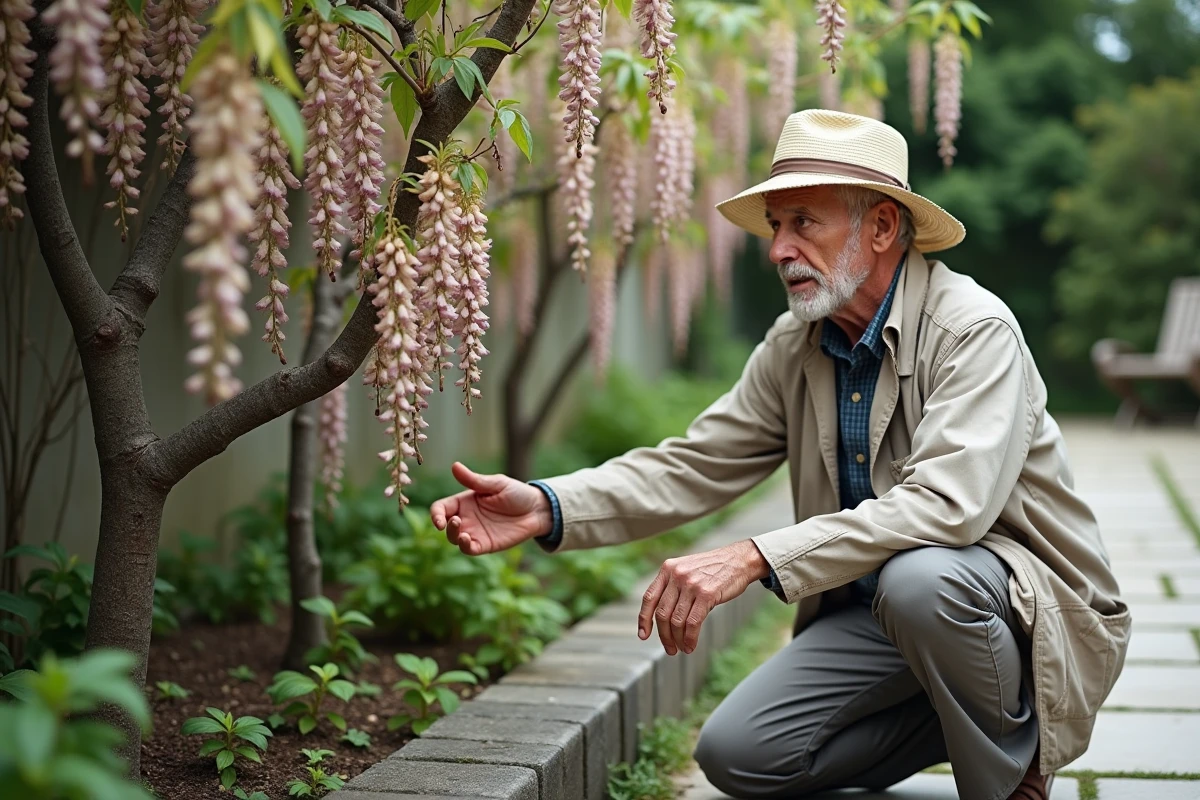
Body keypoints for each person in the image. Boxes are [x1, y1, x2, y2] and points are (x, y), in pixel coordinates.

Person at [429, 109, 1131, 800]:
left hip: (1014, 608)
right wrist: (550, 505)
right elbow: (694, 462)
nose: (778, 250)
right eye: (776, 227)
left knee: (921, 581)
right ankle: (972, 711)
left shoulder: (973, 331)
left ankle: (1011, 779)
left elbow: (946, 508)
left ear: (882, 226)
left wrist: (755, 556)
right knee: (743, 754)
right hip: (883, 618)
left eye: (804, 223)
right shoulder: (797, 344)